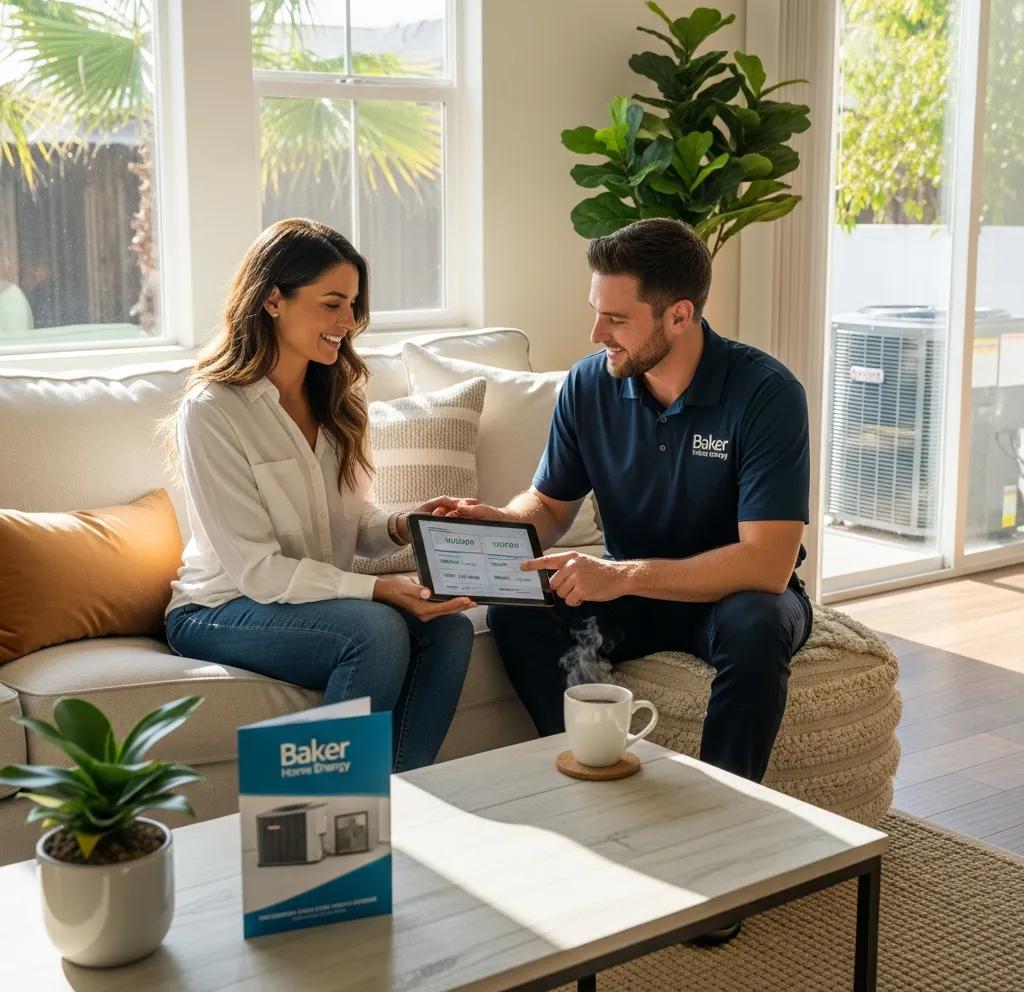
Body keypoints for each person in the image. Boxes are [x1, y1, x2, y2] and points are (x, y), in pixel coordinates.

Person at [447, 216, 813, 783]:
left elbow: (767, 564)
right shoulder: (588, 386)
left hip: (735, 595)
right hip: (632, 595)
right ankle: (590, 767)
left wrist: (622, 575)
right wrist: (500, 523)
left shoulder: (767, 394)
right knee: (517, 613)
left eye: (616, 318)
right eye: (597, 311)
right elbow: (548, 506)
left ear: (680, 314)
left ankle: (728, 805)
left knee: (758, 627)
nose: (597, 333)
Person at [163, 218, 474, 772]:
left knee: (447, 628)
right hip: (221, 608)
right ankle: (318, 820)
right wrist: (377, 593)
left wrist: (405, 524)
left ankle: (405, 809)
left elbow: (352, 526)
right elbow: (259, 572)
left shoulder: (338, 399)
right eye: (332, 304)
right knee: (375, 632)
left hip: (312, 601)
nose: (348, 323)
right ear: (273, 300)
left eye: (353, 305)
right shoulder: (212, 411)